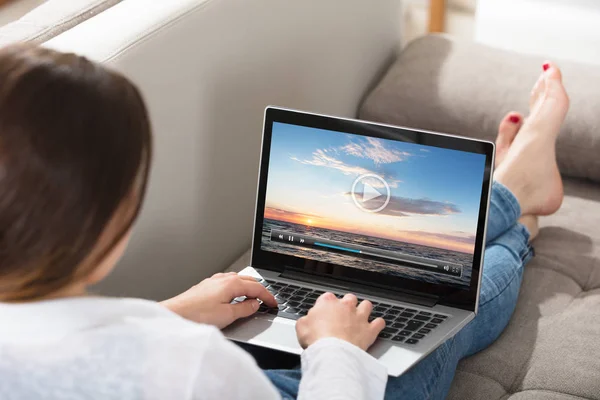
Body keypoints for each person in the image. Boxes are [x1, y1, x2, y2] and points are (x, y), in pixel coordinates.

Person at [0, 43, 568, 400]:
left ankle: (516, 190)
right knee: (442, 309)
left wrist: (172, 313)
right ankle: (518, 209)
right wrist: (336, 350)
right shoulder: (187, 364)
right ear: (110, 224)